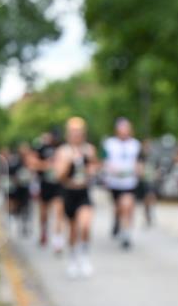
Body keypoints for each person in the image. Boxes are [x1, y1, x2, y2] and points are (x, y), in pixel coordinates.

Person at [54, 117, 98, 278]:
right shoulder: (63, 151)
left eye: (79, 132)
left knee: (85, 225)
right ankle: (73, 259)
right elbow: (59, 176)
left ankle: (85, 256)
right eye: (73, 132)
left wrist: (90, 171)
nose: (76, 135)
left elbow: (94, 167)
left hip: (83, 192)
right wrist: (69, 162)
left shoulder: (89, 150)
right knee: (72, 230)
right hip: (69, 192)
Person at [103, 117, 142, 249]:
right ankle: (117, 222)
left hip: (129, 182)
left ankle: (126, 234)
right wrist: (110, 170)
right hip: (115, 182)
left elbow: (139, 161)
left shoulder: (135, 144)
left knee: (127, 205)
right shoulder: (110, 143)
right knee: (119, 207)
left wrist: (138, 172)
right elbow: (105, 160)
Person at [36, 129, 65, 252]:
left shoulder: (63, 149)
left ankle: (57, 239)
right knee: (44, 212)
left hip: (58, 186)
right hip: (45, 184)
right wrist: (46, 165)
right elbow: (32, 162)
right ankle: (43, 231)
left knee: (58, 212)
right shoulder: (42, 148)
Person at [7, 141, 35, 237]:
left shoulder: (29, 162)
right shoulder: (14, 162)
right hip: (16, 188)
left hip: (26, 188)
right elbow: (9, 175)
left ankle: (25, 226)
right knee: (15, 206)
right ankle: (13, 221)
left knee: (26, 207)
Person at [138, 139, 159, 227]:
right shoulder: (141, 156)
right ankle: (147, 213)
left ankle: (151, 210)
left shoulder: (154, 156)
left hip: (152, 179)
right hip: (144, 180)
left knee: (152, 196)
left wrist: (157, 174)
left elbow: (158, 167)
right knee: (146, 197)